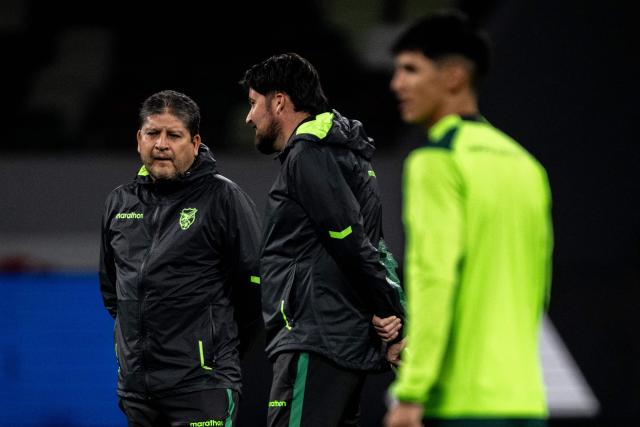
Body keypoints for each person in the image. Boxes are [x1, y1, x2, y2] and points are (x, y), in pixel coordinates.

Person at [384, 10, 554, 427]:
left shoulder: (436, 161)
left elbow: (434, 276)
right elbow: (539, 287)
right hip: (526, 400)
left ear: (454, 77)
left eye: (410, 69)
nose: (397, 84)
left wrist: (412, 391)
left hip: (460, 403)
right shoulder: (526, 165)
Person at [240, 52, 406, 427]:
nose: (249, 117)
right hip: (339, 338)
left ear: (279, 101)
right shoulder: (346, 157)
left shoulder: (307, 156)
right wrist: (392, 314)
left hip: (315, 336)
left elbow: (351, 240)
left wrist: (389, 312)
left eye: (253, 103)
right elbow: (372, 247)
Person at [99, 89, 263, 427]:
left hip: (201, 385)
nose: (161, 144)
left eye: (173, 135)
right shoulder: (119, 204)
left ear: (195, 141)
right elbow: (113, 291)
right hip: (138, 390)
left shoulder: (223, 198)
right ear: (138, 139)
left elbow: (255, 286)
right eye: (152, 133)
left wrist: (215, 350)